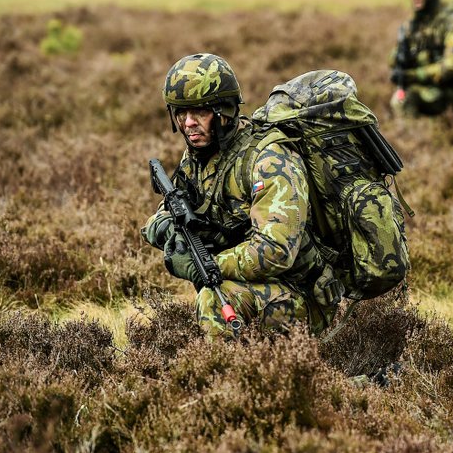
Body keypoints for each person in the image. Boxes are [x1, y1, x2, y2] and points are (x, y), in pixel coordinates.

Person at [141, 53, 347, 338]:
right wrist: (169, 232)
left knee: (214, 300)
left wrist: (208, 265)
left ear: (223, 110)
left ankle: (227, 379)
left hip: (303, 295)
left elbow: (276, 251)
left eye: (199, 112)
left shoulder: (269, 159)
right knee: (215, 292)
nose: (188, 123)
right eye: (181, 112)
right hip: (260, 288)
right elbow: (161, 215)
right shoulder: (199, 157)